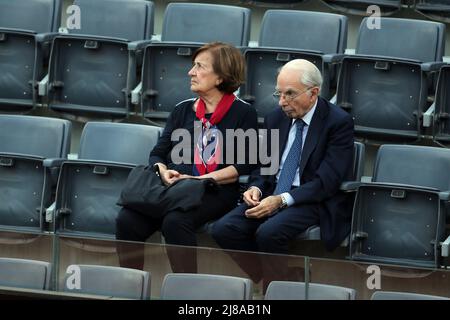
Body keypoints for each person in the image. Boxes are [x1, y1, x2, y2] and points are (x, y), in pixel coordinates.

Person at [212, 59, 355, 289]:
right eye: (279, 93)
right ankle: (284, 282)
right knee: (224, 229)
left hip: (310, 199)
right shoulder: (275, 118)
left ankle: (273, 293)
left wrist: (281, 200)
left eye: (290, 94)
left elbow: (327, 182)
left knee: (269, 233)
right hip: (272, 191)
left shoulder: (338, 123)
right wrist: (255, 188)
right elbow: (265, 166)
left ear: (313, 93)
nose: (282, 102)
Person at [116, 42, 258, 273]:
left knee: (175, 221)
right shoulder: (182, 109)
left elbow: (245, 164)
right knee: (127, 219)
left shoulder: (243, 112)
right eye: (193, 66)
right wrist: (163, 170)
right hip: (172, 187)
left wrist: (200, 180)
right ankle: (130, 284)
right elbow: (158, 153)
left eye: (199, 67)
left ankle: (186, 290)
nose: (190, 72)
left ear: (220, 77)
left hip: (214, 190)